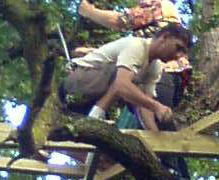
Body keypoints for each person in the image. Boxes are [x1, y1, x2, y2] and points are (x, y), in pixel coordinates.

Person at [76, 0, 192, 113]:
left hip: (166, 75)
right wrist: (94, 53)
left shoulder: (164, 6)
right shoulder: (141, 36)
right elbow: (128, 52)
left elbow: (120, 21)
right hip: (150, 79)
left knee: (155, 118)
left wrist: (89, 11)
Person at [60, 23, 194, 131]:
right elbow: (122, 85)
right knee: (125, 81)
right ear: (164, 37)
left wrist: (155, 139)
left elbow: (145, 105)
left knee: (138, 92)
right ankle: (94, 119)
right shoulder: (136, 46)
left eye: (183, 52)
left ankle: (94, 118)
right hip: (75, 83)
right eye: (178, 47)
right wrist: (157, 107)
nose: (179, 55)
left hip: (91, 97)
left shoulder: (155, 67)